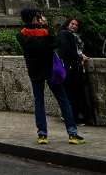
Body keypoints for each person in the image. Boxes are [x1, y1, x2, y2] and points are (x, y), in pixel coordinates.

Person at [18, 9, 85, 145]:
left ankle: (42, 134)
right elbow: (56, 43)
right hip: (50, 70)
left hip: (35, 71)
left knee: (39, 102)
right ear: (35, 19)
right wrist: (45, 26)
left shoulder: (21, 35)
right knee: (63, 100)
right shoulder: (46, 33)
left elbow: (29, 46)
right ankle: (72, 133)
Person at [58, 18, 95, 126]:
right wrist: (79, 58)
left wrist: (81, 56)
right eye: (72, 24)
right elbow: (67, 51)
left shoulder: (75, 36)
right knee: (73, 94)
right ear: (67, 24)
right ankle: (74, 118)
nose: (74, 26)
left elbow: (76, 50)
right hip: (70, 68)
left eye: (76, 25)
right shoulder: (64, 34)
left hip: (76, 67)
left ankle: (74, 117)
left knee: (76, 93)